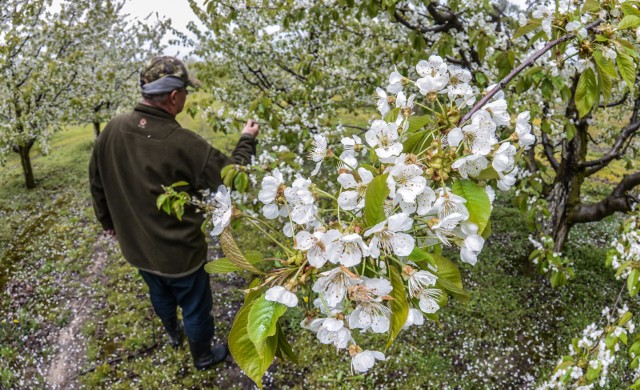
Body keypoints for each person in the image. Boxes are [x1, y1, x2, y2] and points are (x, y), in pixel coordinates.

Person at [89, 56, 259, 370]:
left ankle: (172, 333)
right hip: (180, 256)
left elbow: (96, 181)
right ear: (174, 96)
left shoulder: (112, 129)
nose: (187, 97)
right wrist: (247, 139)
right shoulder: (185, 143)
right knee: (195, 308)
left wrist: (108, 223)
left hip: (136, 248)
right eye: (186, 92)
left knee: (159, 293)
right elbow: (233, 176)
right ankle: (204, 357)